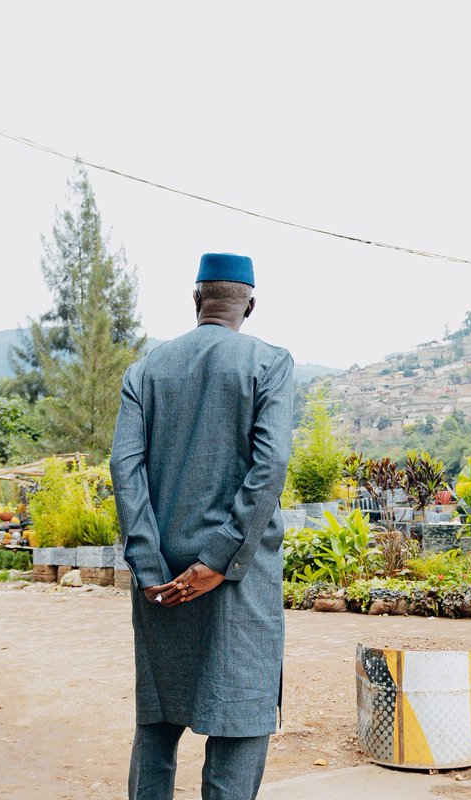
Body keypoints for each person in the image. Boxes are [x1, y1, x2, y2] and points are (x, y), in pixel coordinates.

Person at [110, 252, 294, 800]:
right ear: (251, 305)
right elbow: (271, 466)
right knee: (238, 717)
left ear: (195, 300)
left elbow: (125, 467)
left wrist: (147, 563)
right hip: (241, 582)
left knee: (158, 720)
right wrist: (217, 561)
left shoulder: (146, 370)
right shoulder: (269, 363)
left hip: (162, 579)